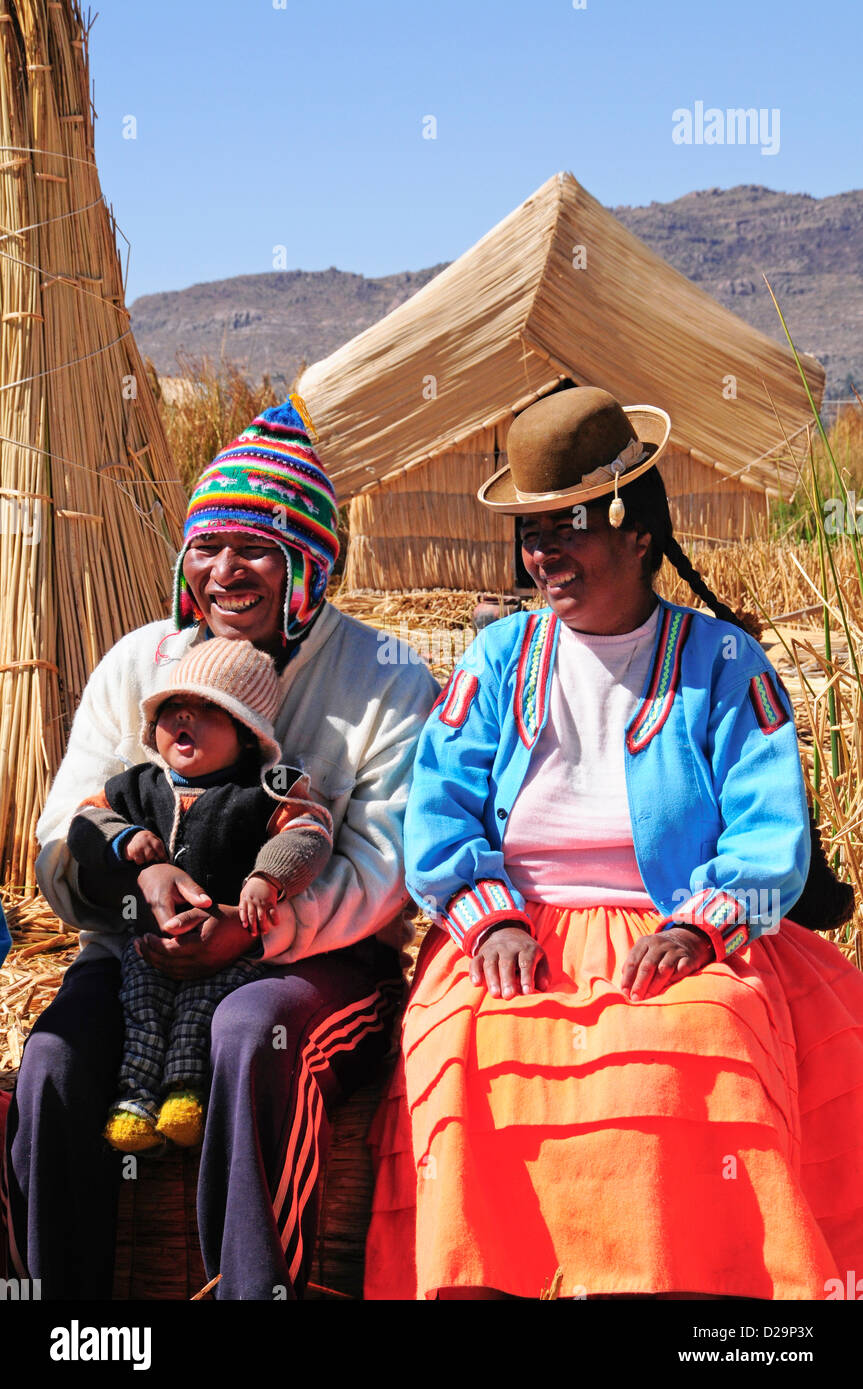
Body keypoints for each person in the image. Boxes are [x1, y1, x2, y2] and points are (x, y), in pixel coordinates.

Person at [365, 385, 863, 1301]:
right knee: (464, 1048)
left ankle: (696, 1305)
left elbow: (767, 835)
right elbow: (437, 813)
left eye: (569, 526)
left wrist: (697, 930)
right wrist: (488, 923)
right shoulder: (496, 659)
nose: (543, 553)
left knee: (694, 1039)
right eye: (531, 531)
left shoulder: (720, 663)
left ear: (637, 534)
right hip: (511, 929)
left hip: (678, 925)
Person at [4, 396, 438, 1300]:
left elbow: (385, 864)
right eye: (206, 547)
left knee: (253, 1029)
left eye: (256, 549)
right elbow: (65, 829)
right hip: (137, 952)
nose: (225, 571)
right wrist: (140, 895)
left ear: (308, 564)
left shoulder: (381, 679)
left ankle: (252, 1292)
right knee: (49, 1066)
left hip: (316, 958)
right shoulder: (141, 661)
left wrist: (258, 932)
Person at [66, 638, 333, 1152]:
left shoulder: (265, 790)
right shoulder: (134, 788)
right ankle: (135, 1102)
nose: (186, 716)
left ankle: (184, 1097)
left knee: (198, 1016)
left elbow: (310, 833)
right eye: (173, 709)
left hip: (227, 952)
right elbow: (85, 824)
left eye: (211, 710)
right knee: (141, 1014)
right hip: (147, 949)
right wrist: (123, 842)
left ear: (247, 733)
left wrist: (267, 878)